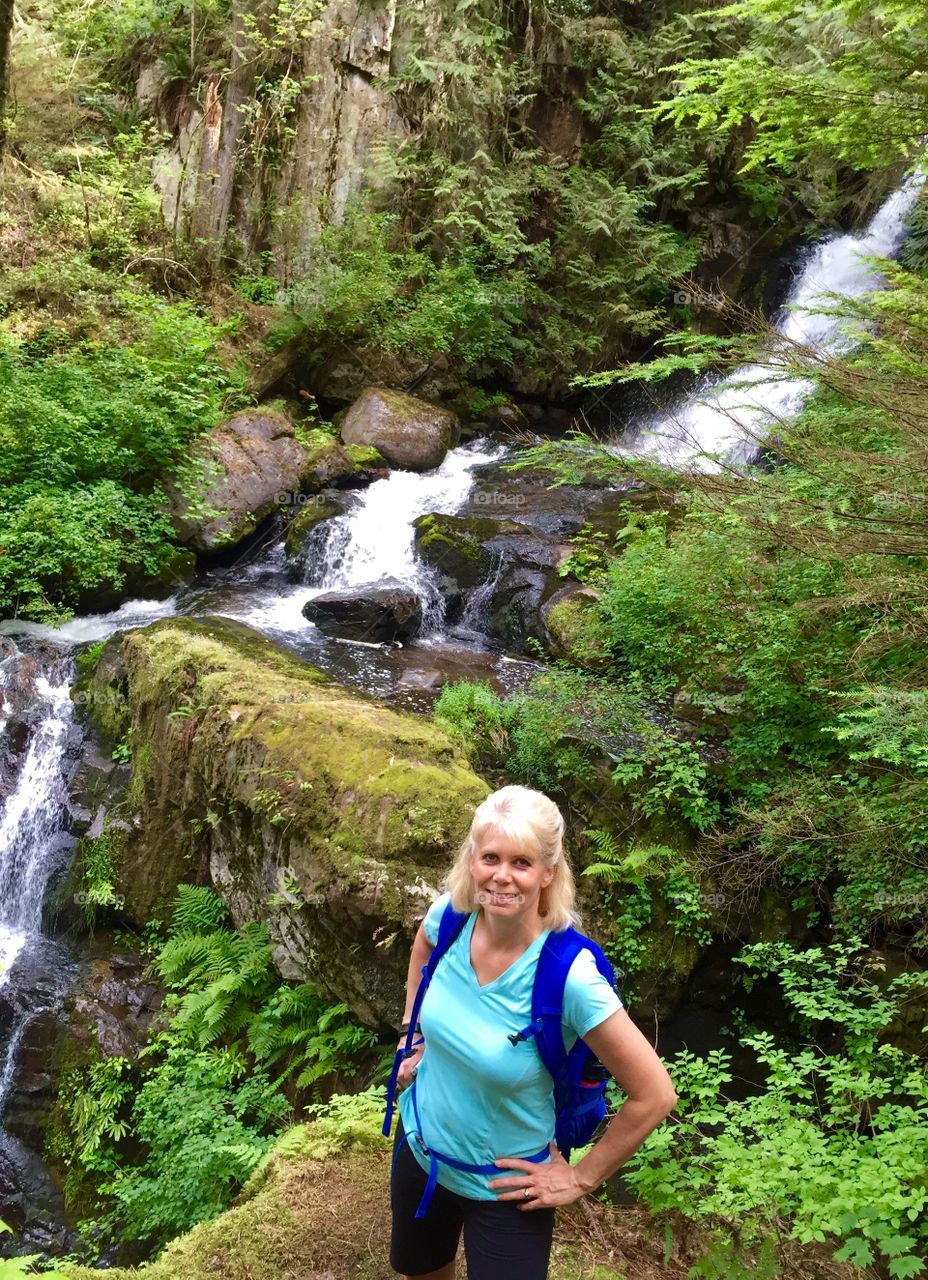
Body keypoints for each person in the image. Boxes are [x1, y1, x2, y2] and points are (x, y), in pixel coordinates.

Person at [388, 784, 678, 1280]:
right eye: (490, 857)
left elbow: (654, 1095)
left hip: (508, 1188)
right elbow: (421, 946)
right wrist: (413, 1037)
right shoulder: (451, 918)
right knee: (422, 1272)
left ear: (549, 872)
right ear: (472, 859)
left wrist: (580, 1178)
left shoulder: (571, 978)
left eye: (521, 862)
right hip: (421, 1150)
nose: (502, 876)